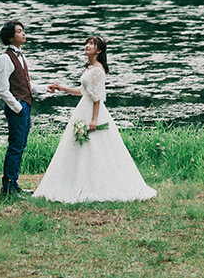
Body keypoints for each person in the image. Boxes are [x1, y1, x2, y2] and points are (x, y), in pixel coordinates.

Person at [35, 35, 156, 203]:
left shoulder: (98, 69)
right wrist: (62, 88)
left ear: (98, 50)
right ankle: (77, 181)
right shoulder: (90, 68)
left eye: (92, 44)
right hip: (83, 107)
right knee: (79, 146)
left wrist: (93, 119)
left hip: (92, 111)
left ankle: (96, 183)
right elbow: (83, 91)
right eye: (87, 43)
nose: (87, 46)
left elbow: (97, 97)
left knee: (95, 146)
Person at [0, 19, 49, 197]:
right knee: (15, 147)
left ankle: (14, 183)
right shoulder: (5, 58)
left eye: (23, 30)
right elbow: (2, 90)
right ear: (10, 37)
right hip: (17, 108)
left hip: (24, 105)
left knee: (21, 145)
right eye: (19, 31)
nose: (23, 33)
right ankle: (8, 187)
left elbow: (25, 84)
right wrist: (18, 108)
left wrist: (45, 88)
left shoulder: (21, 56)